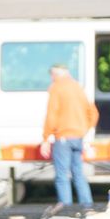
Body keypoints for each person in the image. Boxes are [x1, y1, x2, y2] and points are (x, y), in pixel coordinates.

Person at [39, 63, 98, 206]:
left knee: (62, 176)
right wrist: (84, 130)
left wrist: (46, 138)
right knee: (78, 174)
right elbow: (93, 113)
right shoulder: (77, 87)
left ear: (55, 74)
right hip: (78, 137)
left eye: (52, 76)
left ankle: (66, 209)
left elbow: (52, 114)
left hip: (63, 138)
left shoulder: (56, 88)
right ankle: (87, 207)